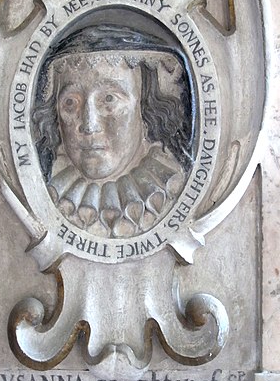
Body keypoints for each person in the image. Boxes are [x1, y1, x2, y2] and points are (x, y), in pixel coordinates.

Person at [32, 25, 194, 238]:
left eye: (109, 99)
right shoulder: (48, 189)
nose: (89, 125)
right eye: (70, 103)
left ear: (145, 110)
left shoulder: (170, 186)